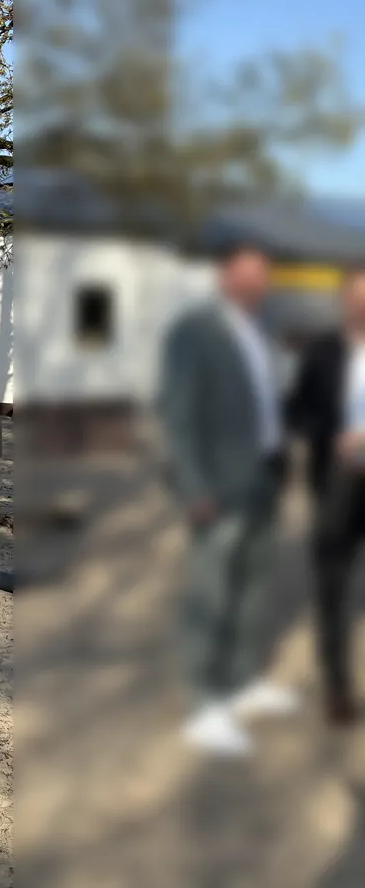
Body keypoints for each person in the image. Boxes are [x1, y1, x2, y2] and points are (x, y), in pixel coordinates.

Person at [158, 240, 299, 756]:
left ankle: (243, 684)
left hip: (263, 478)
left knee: (253, 584)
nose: (256, 282)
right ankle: (204, 705)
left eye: (263, 273)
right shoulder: (193, 332)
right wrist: (193, 487)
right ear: (225, 275)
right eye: (247, 272)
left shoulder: (261, 331)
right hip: (217, 487)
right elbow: (178, 414)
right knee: (212, 590)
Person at [287, 268, 365, 726]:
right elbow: (297, 411)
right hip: (336, 482)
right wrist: (331, 436)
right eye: (356, 297)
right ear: (344, 302)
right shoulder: (321, 351)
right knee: (332, 589)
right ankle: (338, 690)